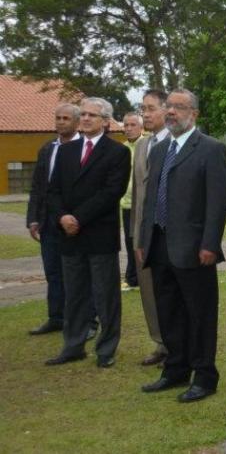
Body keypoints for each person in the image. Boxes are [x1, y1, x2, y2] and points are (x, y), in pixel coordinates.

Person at [137, 88, 226, 403]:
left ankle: (204, 376)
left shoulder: (211, 149)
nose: (172, 111)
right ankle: (175, 369)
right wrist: (144, 239)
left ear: (194, 114)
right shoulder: (160, 149)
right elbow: (150, 200)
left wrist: (210, 244)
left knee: (200, 315)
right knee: (169, 311)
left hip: (194, 248)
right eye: (169, 106)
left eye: (179, 106)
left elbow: (217, 202)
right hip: (160, 244)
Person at [45, 98, 131, 368]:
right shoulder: (66, 151)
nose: (85, 118)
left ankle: (106, 349)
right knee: (74, 294)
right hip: (70, 236)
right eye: (82, 114)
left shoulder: (117, 153)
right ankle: (73, 346)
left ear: (105, 121)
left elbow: (112, 192)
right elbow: (53, 190)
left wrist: (78, 218)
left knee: (106, 296)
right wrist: (62, 217)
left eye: (92, 115)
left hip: (99, 235)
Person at [26, 103, 80, 335]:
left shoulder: (84, 148)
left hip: (74, 223)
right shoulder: (47, 149)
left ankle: (81, 319)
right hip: (48, 223)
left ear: (76, 122)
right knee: (53, 272)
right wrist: (33, 218)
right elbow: (38, 187)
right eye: (58, 118)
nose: (60, 122)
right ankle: (56, 317)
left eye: (66, 118)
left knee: (77, 275)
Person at [131, 89, 171, 366]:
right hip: (143, 233)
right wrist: (136, 235)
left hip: (167, 232)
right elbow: (138, 194)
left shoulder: (176, 144)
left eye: (150, 108)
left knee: (170, 292)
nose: (145, 114)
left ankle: (177, 343)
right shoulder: (142, 146)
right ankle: (160, 342)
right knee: (148, 290)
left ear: (167, 110)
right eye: (142, 108)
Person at [120, 112, 143, 288]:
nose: (128, 128)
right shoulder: (122, 149)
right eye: (126, 125)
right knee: (130, 242)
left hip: (143, 204)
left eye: (132, 125)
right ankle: (132, 277)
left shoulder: (148, 145)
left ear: (141, 127)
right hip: (126, 204)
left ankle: (142, 276)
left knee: (142, 241)